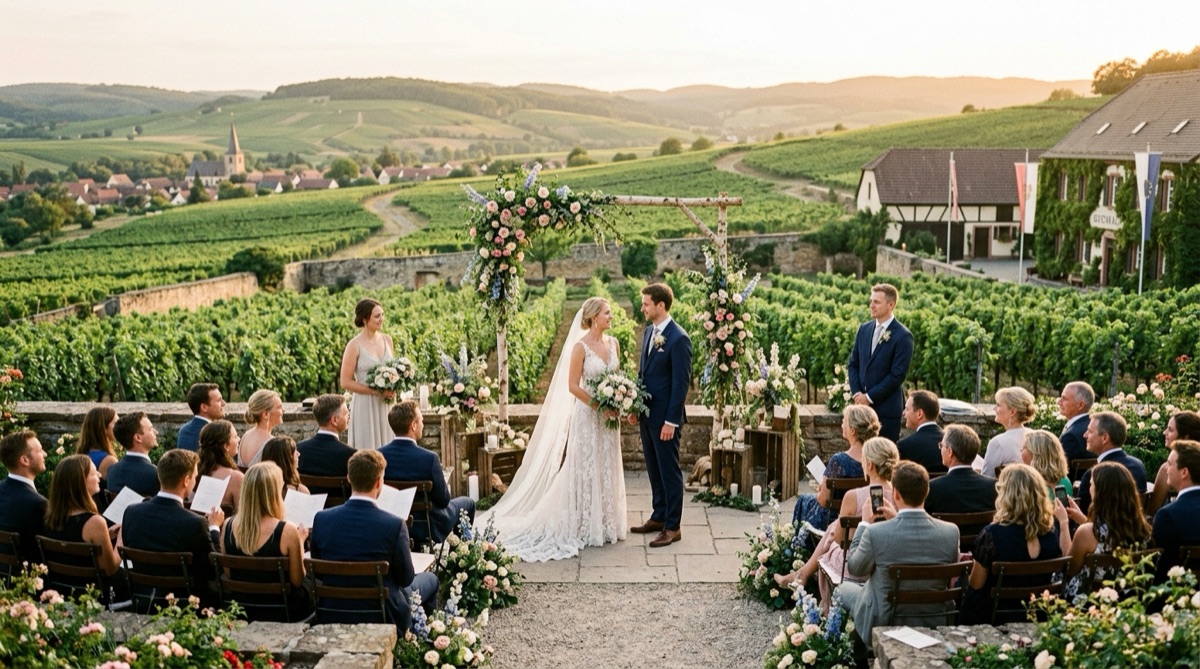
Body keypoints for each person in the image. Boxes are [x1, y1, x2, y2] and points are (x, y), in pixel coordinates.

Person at [477, 297, 630, 561]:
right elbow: (572, 386)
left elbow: (618, 380)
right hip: (587, 415)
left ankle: (605, 522)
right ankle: (583, 522)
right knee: (584, 465)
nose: (611, 316)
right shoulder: (580, 347)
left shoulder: (613, 343)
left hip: (609, 420)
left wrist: (620, 401)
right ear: (594, 317)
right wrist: (598, 404)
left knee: (606, 465)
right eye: (607, 312)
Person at [311, 450, 438, 633]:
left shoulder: (321, 519)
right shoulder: (394, 524)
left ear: (349, 478)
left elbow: (321, 573)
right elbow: (406, 578)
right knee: (431, 580)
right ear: (379, 482)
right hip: (382, 614)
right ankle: (417, 645)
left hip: (332, 610)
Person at [835, 462, 960, 645]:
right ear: (926, 491)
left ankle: (849, 655)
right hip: (934, 617)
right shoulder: (951, 532)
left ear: (896, 494)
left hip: (885, 620)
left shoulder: (875, 533)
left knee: (841, 589)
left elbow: (855, 567)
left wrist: (864, 524)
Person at [777, 437, 900, 613]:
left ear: (870, 465)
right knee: (832, 530)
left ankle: (820, 600)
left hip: (855, 566)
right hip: (889, 562)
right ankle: (802, 575)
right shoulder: (899, 496)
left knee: (829, 544)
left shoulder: (853, 497)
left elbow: (840, 539)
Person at [961, 464, 1070, 624]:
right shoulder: (1051, 533)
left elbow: (976, 585)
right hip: (1038, 614)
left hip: (996, 615)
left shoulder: (992, 534)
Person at [119, 449, 224, 607]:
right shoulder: (195, 523)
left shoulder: (131, 512)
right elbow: (212, 570)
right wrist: (214, 527)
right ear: (186, 480)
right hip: (184, 604)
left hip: (142, 597)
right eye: (195, 477)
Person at [632, 284, 691, 548]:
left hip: (666, 419)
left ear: (660, 306)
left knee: (669, 472)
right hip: (647, 416)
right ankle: (658, 516)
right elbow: (643, 374)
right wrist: (636, 407)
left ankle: (672, 526)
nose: (642, 308)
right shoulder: (648, 333)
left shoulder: (679, 338)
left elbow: (681, 384)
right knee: (654, 470)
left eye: (646, 304)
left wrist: (671, 421)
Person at [220, 462, 312, 621]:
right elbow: (297, 581)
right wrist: (301, 541)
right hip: (282, 610)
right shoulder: (287, 531)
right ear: (273, 493)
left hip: (242, 608)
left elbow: (229, 573)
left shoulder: (228, 525)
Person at [379, 401, 473, 544]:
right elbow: (443, 501)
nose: (423, 424)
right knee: (468, 503)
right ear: (413, 425)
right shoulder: (429, 458)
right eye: (421, 420)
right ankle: (459, 557)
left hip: (391, 523)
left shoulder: (379, 455)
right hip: (427, 526)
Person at [1061, 462, 1151, 599]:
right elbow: (1108, 534)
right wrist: (1084, 520)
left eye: (1091, 485)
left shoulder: (1086, 533)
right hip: (1125, 600)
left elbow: (1069, 569)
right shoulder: (1142, 530)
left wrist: (1063, 523)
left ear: (1100, 492)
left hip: (1088, 603)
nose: (1089, 488)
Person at [41, 455, 123, 596]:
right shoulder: (95, 522)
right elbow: (110, 569)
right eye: (94, 472)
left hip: (62, 589)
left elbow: (74, 540)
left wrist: (105, 536)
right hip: (92, 595)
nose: (99, 474)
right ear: (81, 482)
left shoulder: (51, 517)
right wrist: (122, 537)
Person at [792, 405, 877, 533]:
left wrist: (822, 489)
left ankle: (798, 547)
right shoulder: (877, 460)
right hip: (867, 518)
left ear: (853, 430)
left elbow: (823, 500)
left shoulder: (839, 460)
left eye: (844, 421)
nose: (842, 425)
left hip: (835, 521)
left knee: (804, 500)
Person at [847, 283, 913, 441]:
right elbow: (853, 364)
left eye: (876, 302)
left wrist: (868, 397)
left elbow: (897, 375)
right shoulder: (864, 329)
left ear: (890, 305)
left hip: (886, 412)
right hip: (861, 410)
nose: (871, 305)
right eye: (871, 301)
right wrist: (858, 396)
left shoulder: (903, 336)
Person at [339, 298, 395, 450]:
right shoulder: (354, 345)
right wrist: (376, 391)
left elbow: (393, 372)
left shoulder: (387, 340)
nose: (381, 319)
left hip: (386, 404)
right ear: (365, 319)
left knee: (389, 447)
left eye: (382, 315)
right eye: (377, 316)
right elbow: (345, 382)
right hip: (365, 405)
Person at [1077, 411, 1147, 515]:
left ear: (1104, 438)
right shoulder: (1138, 465)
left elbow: (1085, 514)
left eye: (1089, 431)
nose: (1084, 435)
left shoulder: (1094, 476)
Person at [1151, 440, 1200, 581]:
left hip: (1180, 596)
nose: (1166, 469)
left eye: (1170, 464)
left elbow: (1160, 572)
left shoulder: (1168, 516)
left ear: (1184, 472)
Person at [0, 430, 48, 566]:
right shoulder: (38, 504)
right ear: (24, 460)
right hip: (24, 580)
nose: (45, 454)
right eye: (39, 451)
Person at [925, 424, 998, 515]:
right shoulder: (994, 487)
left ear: (950, 452)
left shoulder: (932, 488)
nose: (940, 449)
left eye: (941, 446)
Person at [1147, 411, 1200, 514]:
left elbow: (1151, 511)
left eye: (1170, 430)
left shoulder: (1167, 469)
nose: (1164, 433)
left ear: (1185, 438)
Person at [981, 387, 1036, 479]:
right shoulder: (1035, 436)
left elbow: (986, 478)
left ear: (1012, 411)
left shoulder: (997, 443)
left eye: (998, 405)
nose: (994, 408)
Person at [298, 394, 355, 479]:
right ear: (334, 420)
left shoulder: (298, 450)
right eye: (346, 413)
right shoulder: (350, 455)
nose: (349, 416)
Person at [106, 412, 160, 498]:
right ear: (138, 438)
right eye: (150, 429)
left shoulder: (112, 471)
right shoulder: (155, 474)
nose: (156, 432)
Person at [196, 420, 245, 513]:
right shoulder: (235, 478)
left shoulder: (193, 472)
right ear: (226, 446)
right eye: (235, 436)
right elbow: (244, 516)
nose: (238, 439)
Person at [896, 390, 945, 474]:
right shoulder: (953, 442)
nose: (903, 413)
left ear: (919, 414)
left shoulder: (904, 446)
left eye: (907, 409)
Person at [1020, 430, 1073, 499]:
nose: (1021, 451)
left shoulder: (1030, 485)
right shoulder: (1065, 481)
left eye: (1025, 447)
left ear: (1036, 454)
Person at [239, 389, 283, 467]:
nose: (283, 410)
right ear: (265, 414)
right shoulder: (273, 444)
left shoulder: (246, 436)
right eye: (279, 407)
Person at [178, 383, 226, 452]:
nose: (223, 403)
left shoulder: (183, 431)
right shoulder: (215, 434)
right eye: (219, 400)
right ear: (204, 407)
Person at [75, 406, 119, 479]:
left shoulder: (81, 455)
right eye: (116, 424)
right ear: (104, 428)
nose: (119, 427)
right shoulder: (109, 461)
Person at [1056, 382, 1094, 461]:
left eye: (1065, 399)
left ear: (1080, 405)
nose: (1059, 402)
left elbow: (1057, 466)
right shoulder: (1094, 426)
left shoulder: (1071, 436)